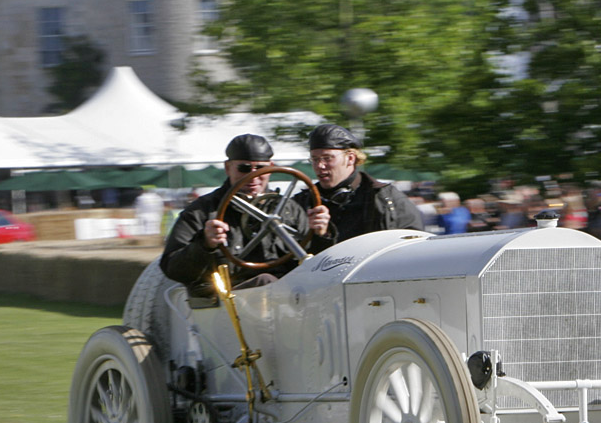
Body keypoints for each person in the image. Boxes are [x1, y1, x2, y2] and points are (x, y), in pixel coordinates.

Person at [160, 134, 320, 297]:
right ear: (228, 168)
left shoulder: (289, 210)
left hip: (286, 295)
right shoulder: (202, 212)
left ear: (271, 167)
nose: (253, 176)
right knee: (265, 282)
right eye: (244, 168)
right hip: (226, 299)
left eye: (260, 168)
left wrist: (322, 234)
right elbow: (172, 268)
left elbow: (314, 260)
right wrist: (205, 244)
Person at [295, 124, 423, 244]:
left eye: (327, 158)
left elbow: (414, 246)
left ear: (350, 158)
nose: (320, 166)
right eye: (315, 159)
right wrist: (319, 235)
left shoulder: (387, 198)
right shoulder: (300, 204)